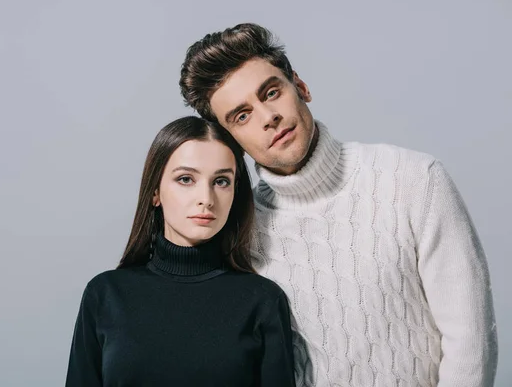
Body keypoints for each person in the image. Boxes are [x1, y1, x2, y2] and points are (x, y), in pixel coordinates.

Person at [179, 23, 498, 386]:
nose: (269, 118)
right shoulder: (240, 235)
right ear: (231, 140)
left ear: (300, 86)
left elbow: (471, 343)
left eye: (270, 92)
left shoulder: (413, 180)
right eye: (242, 115)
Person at [65, 116, 296, 386]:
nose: (206, 199)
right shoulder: (105, 294)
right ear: (155, 192)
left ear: (235, 193)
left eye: (221, 181)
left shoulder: (263, 300)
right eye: (186, 179)